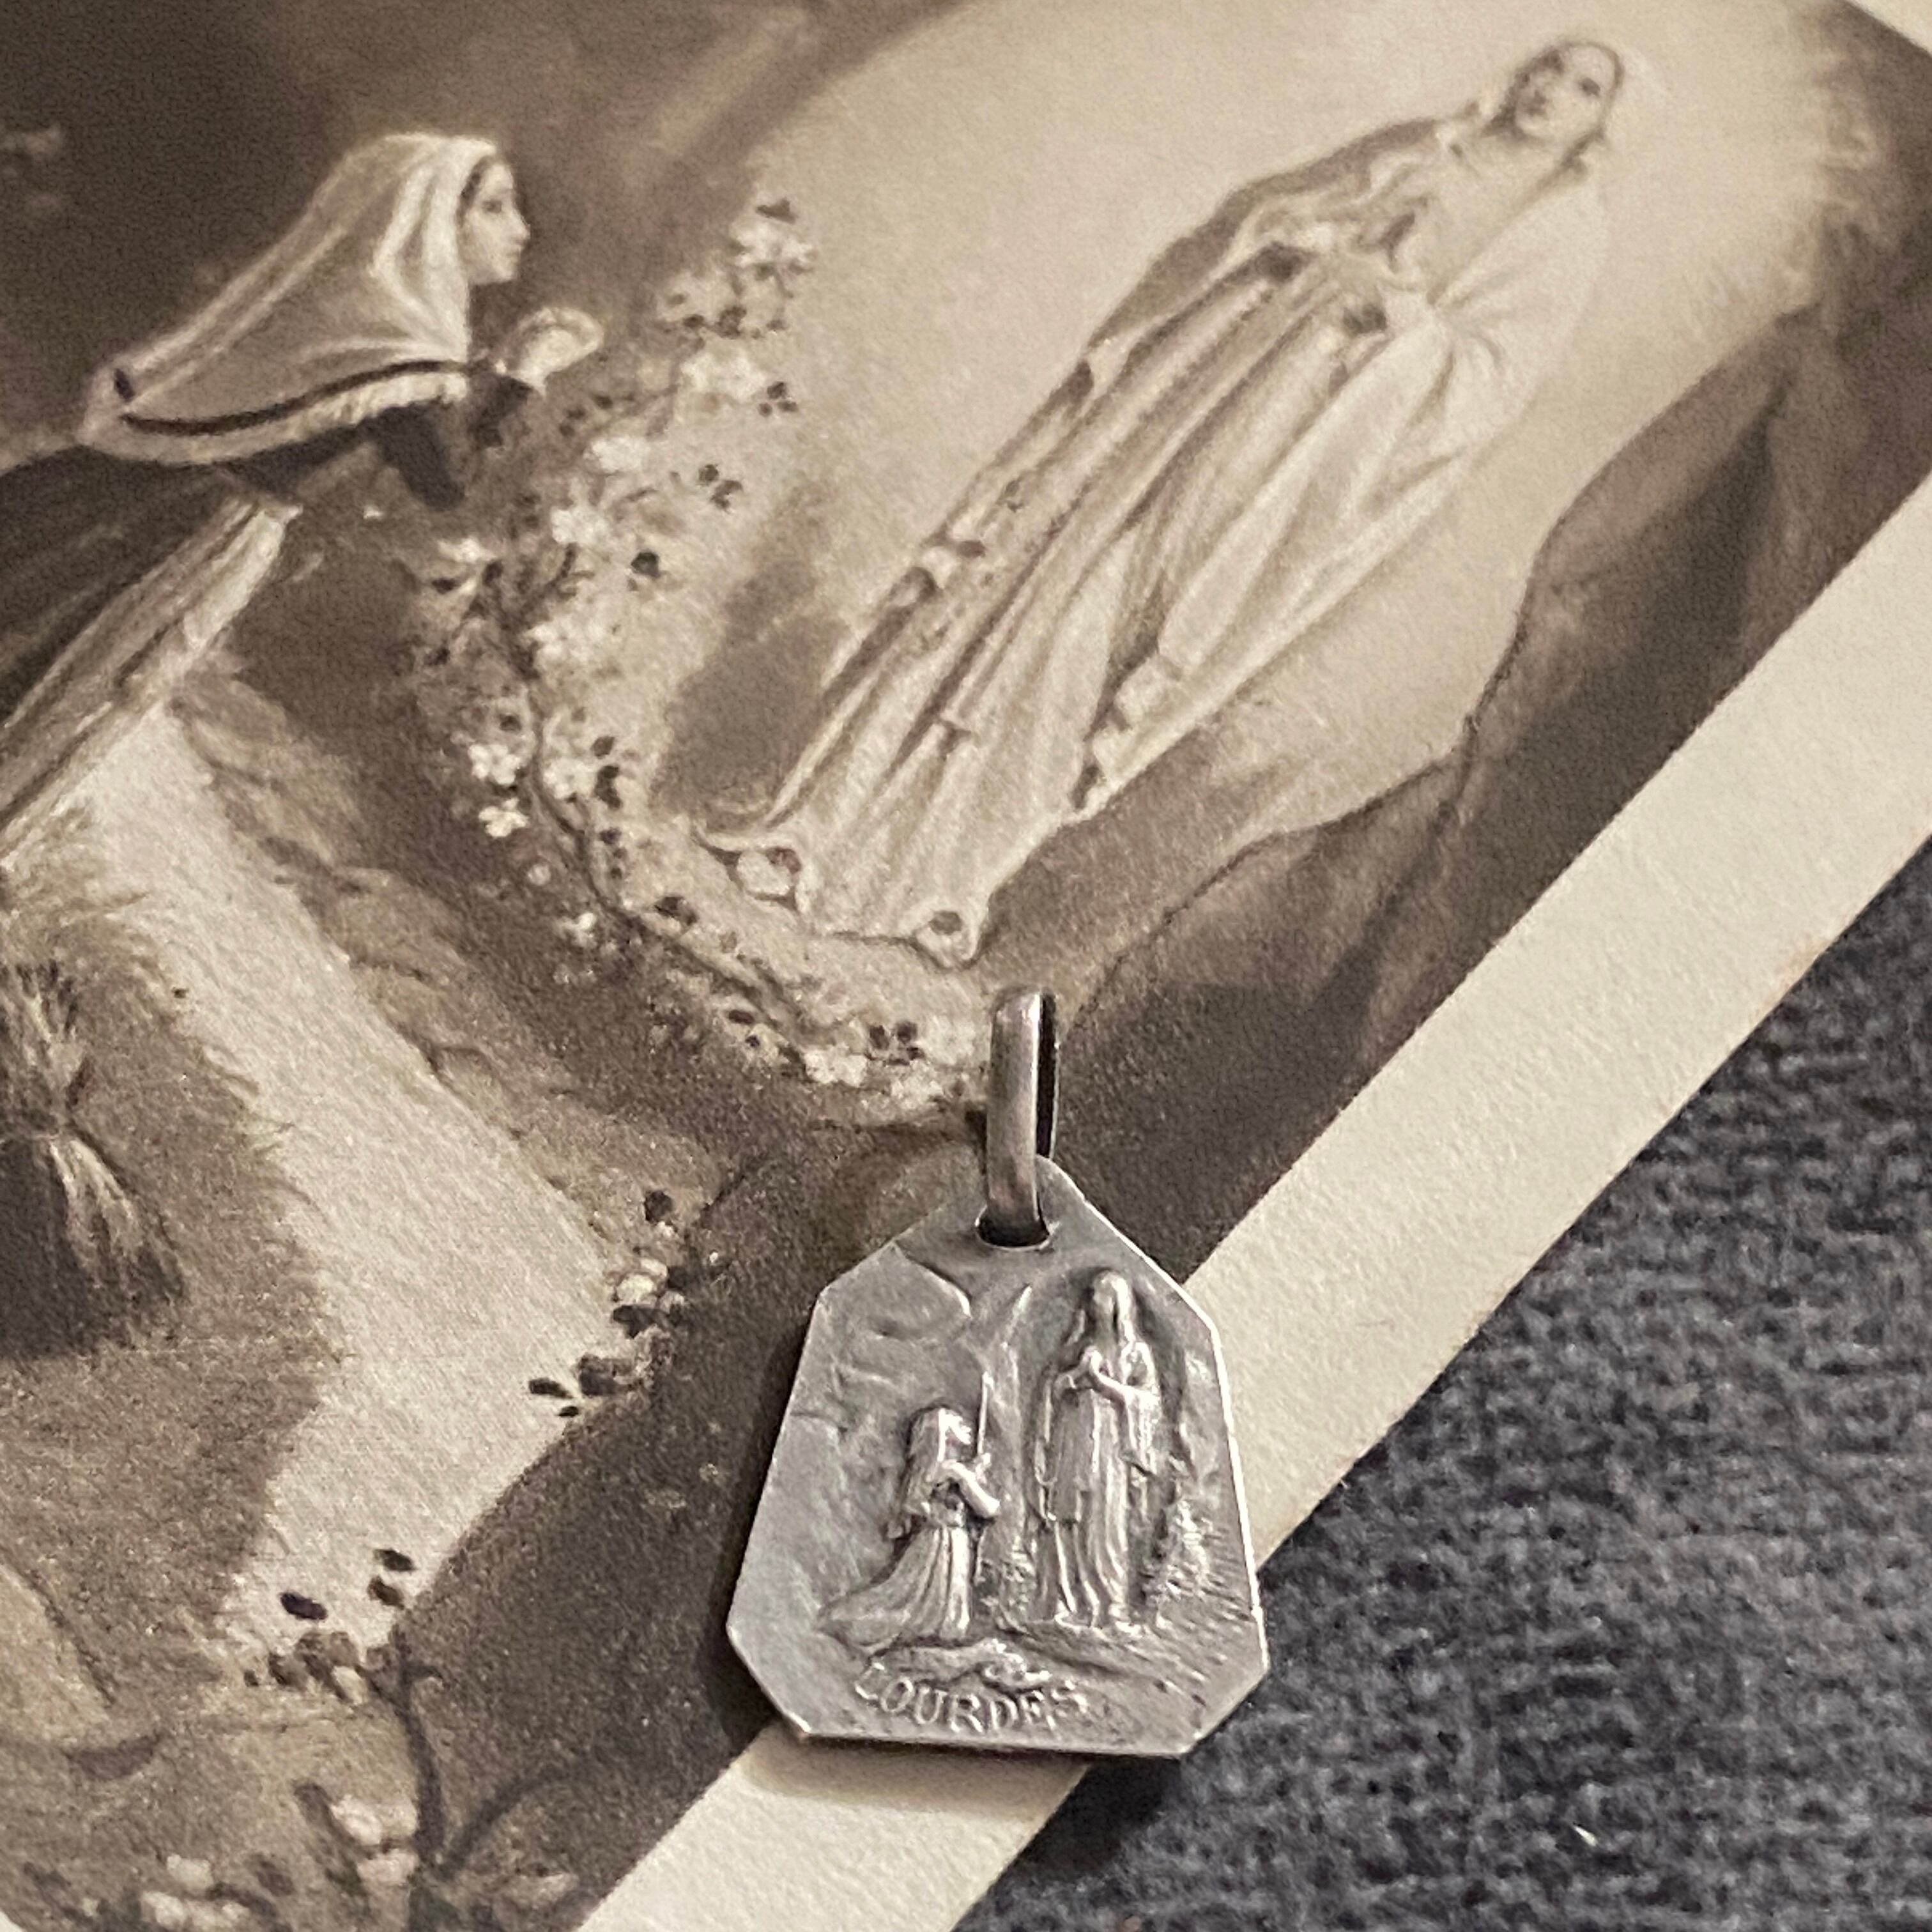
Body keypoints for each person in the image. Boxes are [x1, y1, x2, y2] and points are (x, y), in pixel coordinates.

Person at [710, 42, 1624, 966]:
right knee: (1034, 554)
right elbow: (1263, 222)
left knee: (1110, 620)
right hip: (1207, 374)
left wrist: (1401, 319)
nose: (1551, 90)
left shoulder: (1562, 238)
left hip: (1293, 443)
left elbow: (1485, 384)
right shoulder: (1424, 146)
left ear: (1606, 122)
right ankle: (819, 821)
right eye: (1550, 67)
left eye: (1585, 87)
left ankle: (936, 875)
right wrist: (1307, 243)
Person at [0, 132, 602, 856]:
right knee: (71, 669)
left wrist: (488, 374)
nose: (521, 231)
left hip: (135, 489)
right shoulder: (403, 343)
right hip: (201, 531)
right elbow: (449, 483)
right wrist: (523, 376)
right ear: (425, 221)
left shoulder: (348, 310)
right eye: (495, 208)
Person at [1032, 1270, 1163, 1629]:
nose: (1092, 1302)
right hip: (1074, 1441)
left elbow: (1149, 1404)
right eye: (1091, 1295)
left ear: (1117, 1304)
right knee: (1069, 1519)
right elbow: (1052, 1391)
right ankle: (1069, 1602)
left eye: (1100, 1296)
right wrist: (1075, 1377)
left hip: (1110, 1449)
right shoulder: (1078, 1348)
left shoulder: (1136, 1354)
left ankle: (1110, 1605)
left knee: (1105, 1526)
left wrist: (1103, 1384)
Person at [822, 1404, 1000, 1654]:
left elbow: (915, 1501)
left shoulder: (934, 1471)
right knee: (929, 1605)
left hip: (935, 1539)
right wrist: (969, 1478)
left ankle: (931, 1631)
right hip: (945, 1542)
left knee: (923, 1601)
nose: (965, 1425)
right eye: (956, 1421)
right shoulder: (953, 1471)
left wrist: (974, 1472)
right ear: (943, 1432)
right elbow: (989, 1508)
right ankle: (926, 1634)